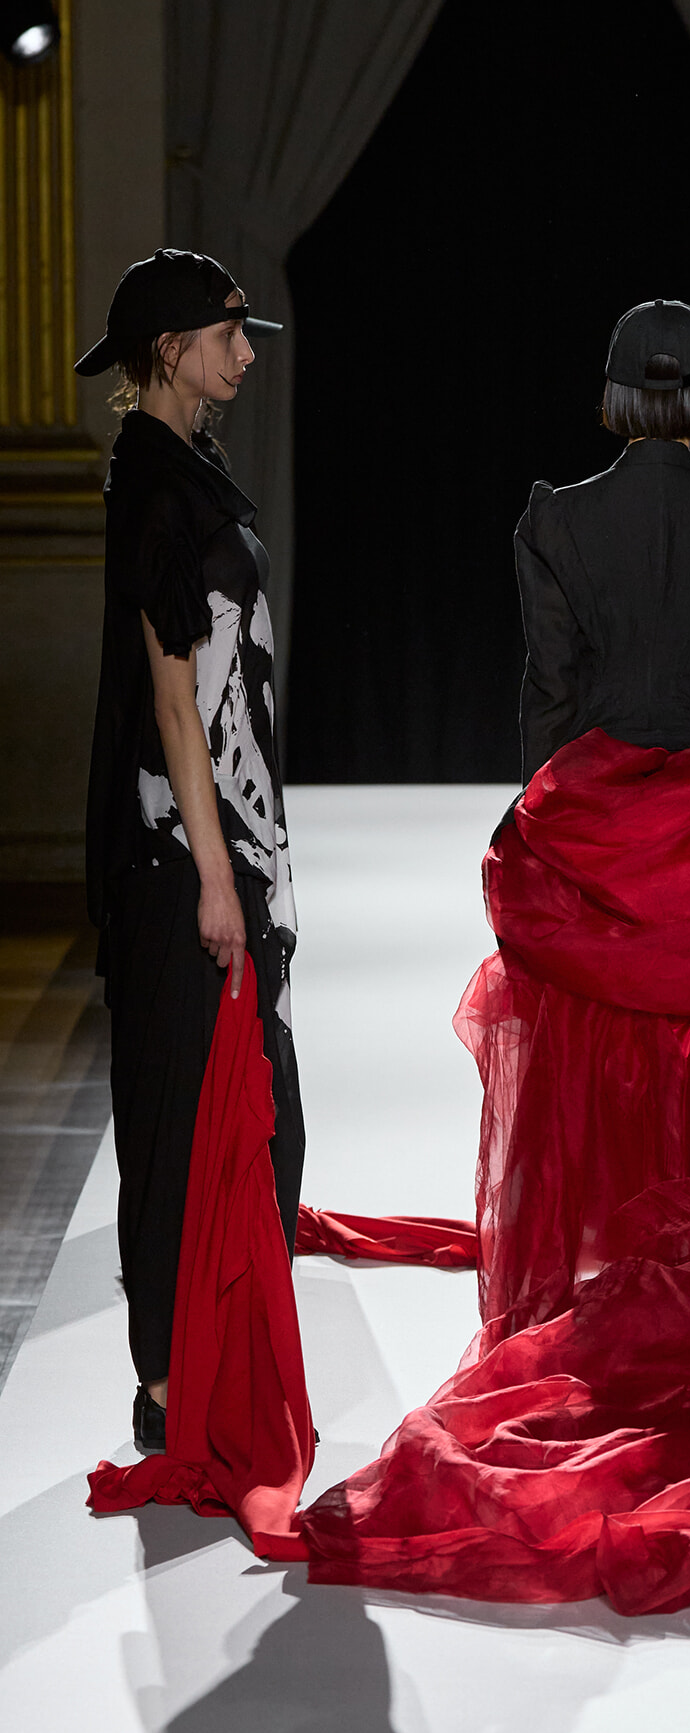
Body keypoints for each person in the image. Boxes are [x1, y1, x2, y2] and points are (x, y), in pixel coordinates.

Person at [299, 300, 690, 1612]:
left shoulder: (556, 518)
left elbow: (548, 704)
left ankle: (602, 1305)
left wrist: (549, 847)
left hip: (602, 821)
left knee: (590, 1083)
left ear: (614, 394)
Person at [77, 249, 304, 1455]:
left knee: (254, 1111)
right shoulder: (155, 488)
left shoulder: (181, 467)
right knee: (179, 1116)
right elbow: (173, 702)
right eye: (229, 334)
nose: (248, 352)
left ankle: (202, 1372)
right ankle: (168, 1389)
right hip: (185, 862)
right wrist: (221, 881)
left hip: (221, 844)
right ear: (171, 349)